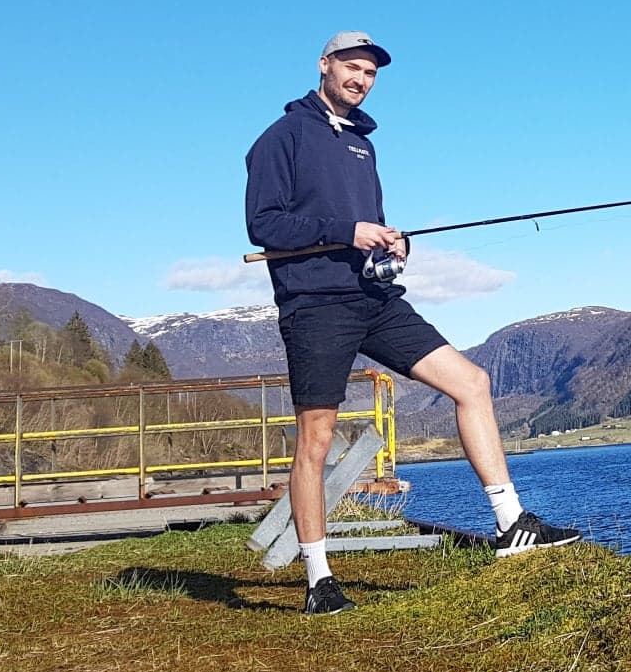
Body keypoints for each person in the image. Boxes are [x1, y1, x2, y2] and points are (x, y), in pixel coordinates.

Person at [245, 30, 580, 615]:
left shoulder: (362, 144)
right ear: (324, 66)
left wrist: (393, 243)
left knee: (471, 382)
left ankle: (511, 523)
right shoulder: (282, 138)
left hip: (374, 297)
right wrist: (346, 232)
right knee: (317, 439)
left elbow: (365, 223)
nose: (361, 79)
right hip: (315, 305)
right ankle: (319, 580)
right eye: (351, 67)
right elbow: (264, 226)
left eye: (370, 73)